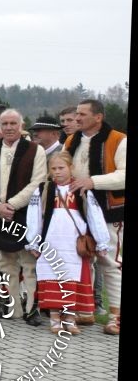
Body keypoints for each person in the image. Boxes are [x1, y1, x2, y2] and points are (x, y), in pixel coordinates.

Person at [24, 152, 113, 335]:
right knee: (53, 281)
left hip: (73, 246)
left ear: (71, 168)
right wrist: (33, 241)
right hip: (51, 244)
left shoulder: (81, 190)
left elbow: (94, 215)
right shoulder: (43, 189)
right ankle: (55, 319)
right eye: (53, 168)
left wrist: (101, 241)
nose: (57, 172)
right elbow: (34, 217)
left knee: (72, 281)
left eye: (61, 168)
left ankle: (70, 319)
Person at [0, 109, 46, 321]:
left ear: (21, 125)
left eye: (13, 123)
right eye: (4, 124)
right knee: (5, 263)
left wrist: (12, 205)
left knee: (29, 264)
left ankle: (32, 309)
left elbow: (38, 181)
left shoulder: (35, 150)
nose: (8, 127)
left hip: (26, 214)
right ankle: (13, 308)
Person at [66, 99, 125, 335]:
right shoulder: (72, 140)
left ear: (98, 117)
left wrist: (93, 181)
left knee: (109, 262)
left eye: (82, 114)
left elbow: (123, 175)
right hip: (77, 210)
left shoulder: (118, 140)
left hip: (108, 210)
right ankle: (85, 310)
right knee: (82, 258)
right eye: (76, 114)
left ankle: (115, 316)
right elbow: (62, 168)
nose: (77, 118)